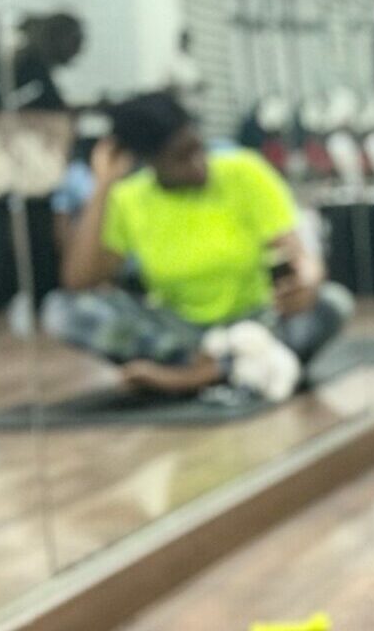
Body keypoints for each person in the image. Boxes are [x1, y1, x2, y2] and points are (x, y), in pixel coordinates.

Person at [46, 90, 354, 400]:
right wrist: (103, 184)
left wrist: (309, 282)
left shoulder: (243, 171)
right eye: (180, 157)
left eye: (197, 149)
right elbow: (78, 282)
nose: (197, 164)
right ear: (149, 161)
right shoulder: (129, 198)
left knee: (333, 303)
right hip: (182, 335)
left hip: (257, 322)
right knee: (61, 312)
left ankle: (202, 375)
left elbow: (301, 256)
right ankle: (222, 367)